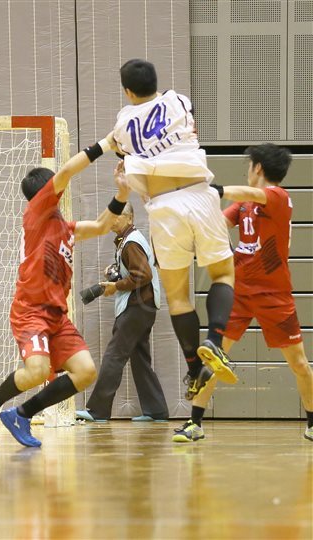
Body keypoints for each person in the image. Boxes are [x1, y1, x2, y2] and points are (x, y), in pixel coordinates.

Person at [0, 140, 129, 448]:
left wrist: (122, 191)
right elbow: (68, 171)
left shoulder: (66, 228)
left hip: (57, 317)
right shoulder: (37, 214)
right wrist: (106, 144)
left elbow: (103, 226)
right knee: (38, 370)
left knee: (85, 372)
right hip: (31, 311)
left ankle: (22, 414)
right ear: (47, 191)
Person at [111, 58, 237, 405]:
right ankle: (214, 339)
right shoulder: (179, 100)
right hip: (199, 193)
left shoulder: (123, 122)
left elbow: (119, 148)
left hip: (164, 207)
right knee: (223, 273)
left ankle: (194, 368)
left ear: (127, 91)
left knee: (178, 296)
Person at [173, 144, 313, 443]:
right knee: (213, 357)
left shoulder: (278, 196)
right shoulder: (244, 205)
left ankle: (312, 424)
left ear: (257, 167)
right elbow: (217, 224)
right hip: (239, 291)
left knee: (299, 363)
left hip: (274, 294)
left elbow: (251, 193)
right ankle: (194, 422)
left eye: (250, 165)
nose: (247, 170)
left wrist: (213, 190)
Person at [76, 202, 169, 422]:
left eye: (116, 216)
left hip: (136, 307)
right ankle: (157, 411)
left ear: (129, 218)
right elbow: (138, 272)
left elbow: (143, 275)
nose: (112, 220)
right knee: (140, 359)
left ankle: (98, 411)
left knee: (114, 356)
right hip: (144, 307)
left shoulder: (131, 243)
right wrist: (116, 272)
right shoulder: (127, 240)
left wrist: (115, 286)